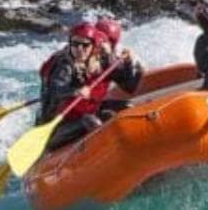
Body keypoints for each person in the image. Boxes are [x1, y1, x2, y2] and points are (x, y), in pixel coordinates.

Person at [38, 20, 143, 151]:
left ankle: (136, 146)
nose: (80, 49)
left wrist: (131, 65)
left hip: (85, 112)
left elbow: (129, 87)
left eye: (85, 45)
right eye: (76, 44)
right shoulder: (65, 65)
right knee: (91, 122)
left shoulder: (103, 59)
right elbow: (55, 89)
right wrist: (75, 91)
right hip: (58, 124)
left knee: (126, 107)